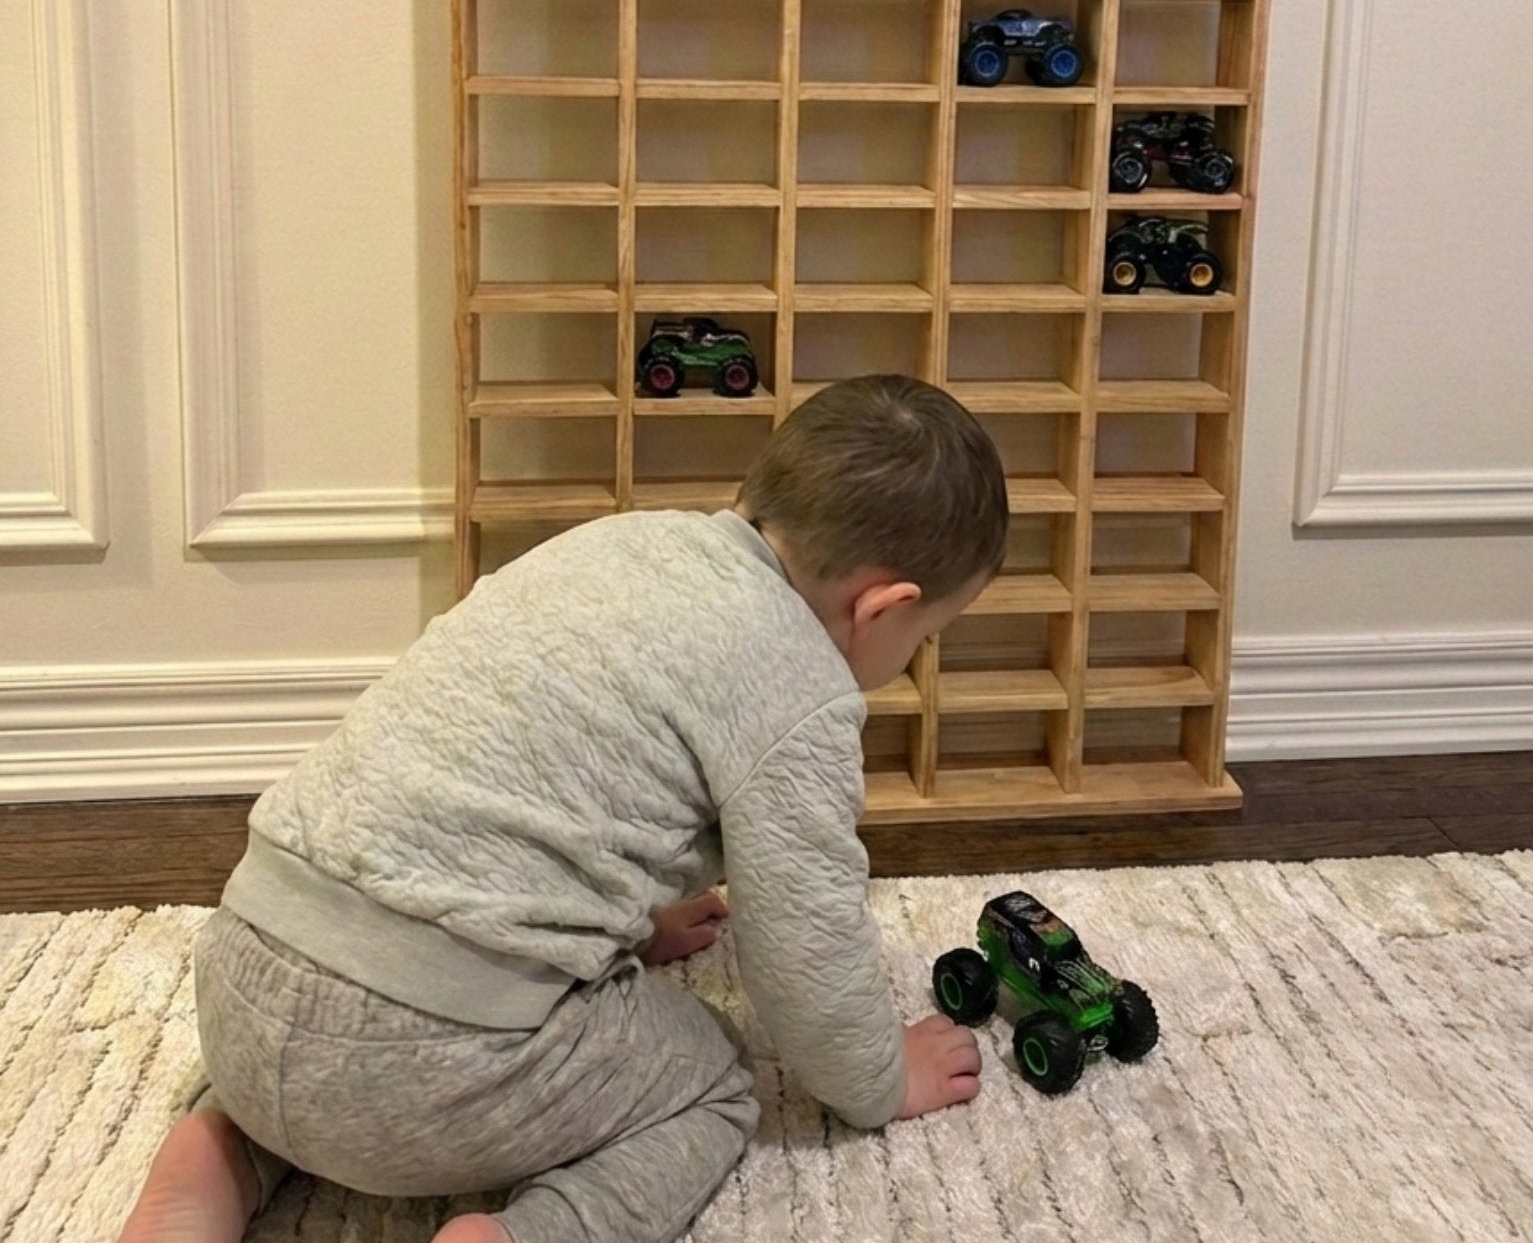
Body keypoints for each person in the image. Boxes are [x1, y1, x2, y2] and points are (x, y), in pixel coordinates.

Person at [116, 374, 1007, 1243]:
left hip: (242, 975)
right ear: (883, 607)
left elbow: (543, 767)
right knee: (715, 1084)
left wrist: (633, 923)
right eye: (924, 637)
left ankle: (217, 1152)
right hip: (419, 1058)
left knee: (301, 1073)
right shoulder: (800, 689)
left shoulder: (620, 548)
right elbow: (805, 941)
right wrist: (879, 1077)